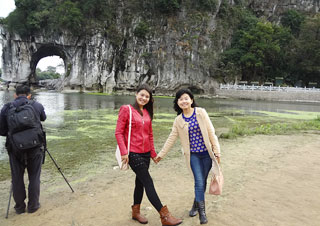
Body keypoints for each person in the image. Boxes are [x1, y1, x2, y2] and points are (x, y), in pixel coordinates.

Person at [115, 84, 182, 226]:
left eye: (147, 96)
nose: (144, 98)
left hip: (145, 154)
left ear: (149, 99)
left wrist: (153, 154)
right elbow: (119, 133)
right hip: (132, 153)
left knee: (140, 182)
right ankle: (165, 216)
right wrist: (124, 152)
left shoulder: (147, 113)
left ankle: (136, 212)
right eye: (142, 95)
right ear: (136, 94)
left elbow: (150, 135)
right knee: (148, 182)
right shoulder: (126, 110)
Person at [154, 88, 221, 224]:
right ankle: (202, 212)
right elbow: (171, 138)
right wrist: (160, 155)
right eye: (180, 99)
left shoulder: (201, 113)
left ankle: (195, 205)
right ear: (177, 102)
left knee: (202, 181)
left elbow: (211, 132)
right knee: (199, 181)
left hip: (207, 154)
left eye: (186, 98)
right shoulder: (178, 120)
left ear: (191, 100)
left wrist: (217, 152)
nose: (183, 101)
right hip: (194, 156)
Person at [0, 85, 46, 214]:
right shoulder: (36, 105)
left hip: (15, 149)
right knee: (34, 177)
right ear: (29, 95)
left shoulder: (6, 108)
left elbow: (2, 131)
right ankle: (33, 206)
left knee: (17, 178)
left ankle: (19, 207)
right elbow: (43, 118)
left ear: (15, 95)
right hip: (35, 147)